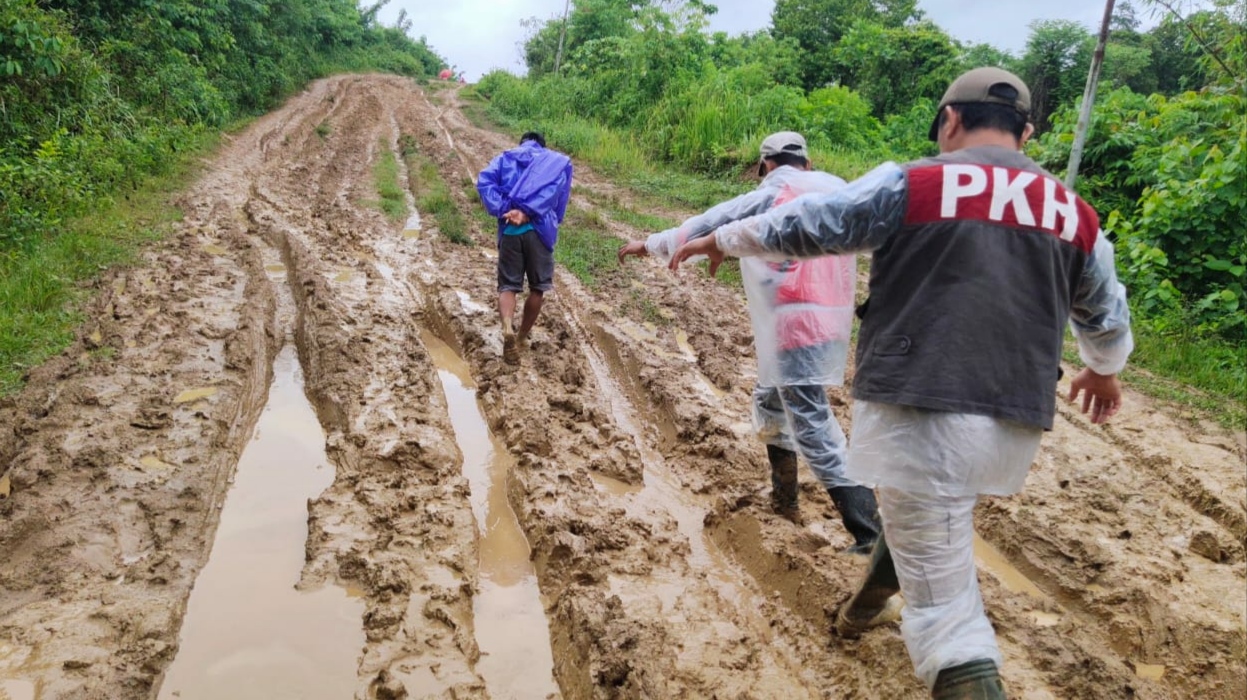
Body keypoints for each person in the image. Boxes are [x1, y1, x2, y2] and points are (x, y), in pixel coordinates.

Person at [668, 68, 1133, 699]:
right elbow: (1103, 307)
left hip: (923, 400)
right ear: (1026, 133)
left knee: (947, 612)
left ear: (948, 121)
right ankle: (866, 603)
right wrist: (1103, 366)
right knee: (932, 512)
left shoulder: (915, 183)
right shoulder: (1072, 212)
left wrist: (719, 239)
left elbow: (811, 223)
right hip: (1014, 415)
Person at [618, 132, 881, 554]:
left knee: (812, 421)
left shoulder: (776, 190)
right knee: (773, 400)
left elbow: (708, 224)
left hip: (794, 320)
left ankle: (868, 535)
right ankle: (785, 501)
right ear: (807, 163)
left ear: (766, 166)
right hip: (829, 321)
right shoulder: (837, 187)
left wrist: (647, 245)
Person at [476, 132, 573, 364]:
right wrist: (530, 214)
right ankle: (520, 337)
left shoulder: (504, 159)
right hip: (540, 232)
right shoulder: (554, 162)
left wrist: (503, 209)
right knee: (537, 288)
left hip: (510, 229)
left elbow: (484, 182)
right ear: (542, 145)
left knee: (508, 285)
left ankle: (507, 327)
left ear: (522, 143)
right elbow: (556, 199)